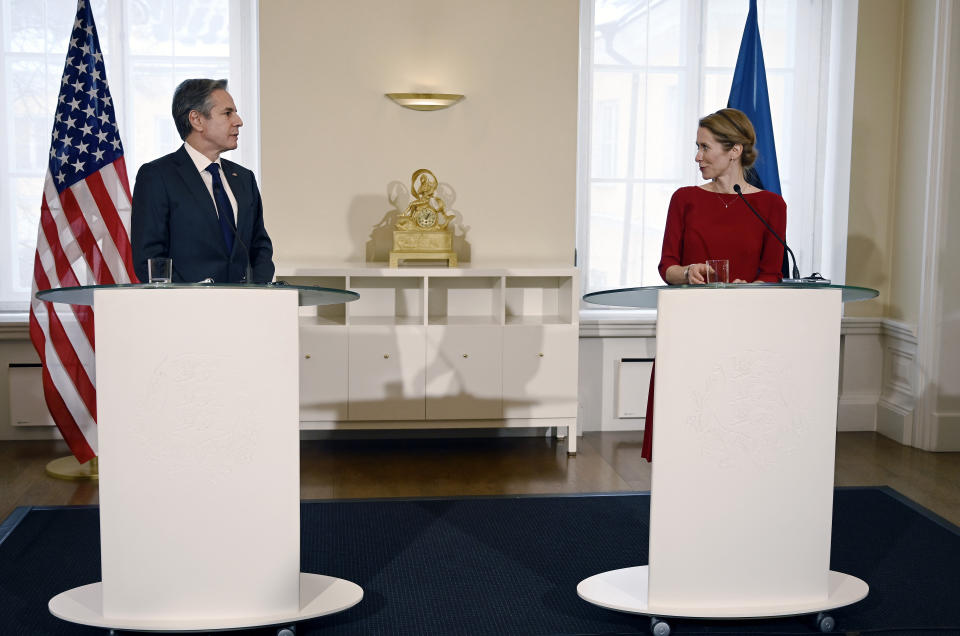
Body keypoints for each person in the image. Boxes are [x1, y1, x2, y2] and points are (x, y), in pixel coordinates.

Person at [641, 107, 786, 461]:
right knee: (684, 427)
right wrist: (687, 271)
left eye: (705, 147)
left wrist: (747, 287)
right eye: (697, 147)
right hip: (690, 328)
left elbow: (771, 274)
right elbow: (667, 267)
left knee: (735, 430)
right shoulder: (685, 199)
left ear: (734, 150)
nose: (697, 156)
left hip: (744, 333)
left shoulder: (770, 205)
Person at [131, 79, 274, 283]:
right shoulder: (157, 176)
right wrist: (192, 300)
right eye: (227, 113)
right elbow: (150, 259)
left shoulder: (244, 178)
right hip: (185, 310)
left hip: (245, 308)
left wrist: (259, 293)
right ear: (196, 120)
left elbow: (260, 248)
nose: (238, 121)